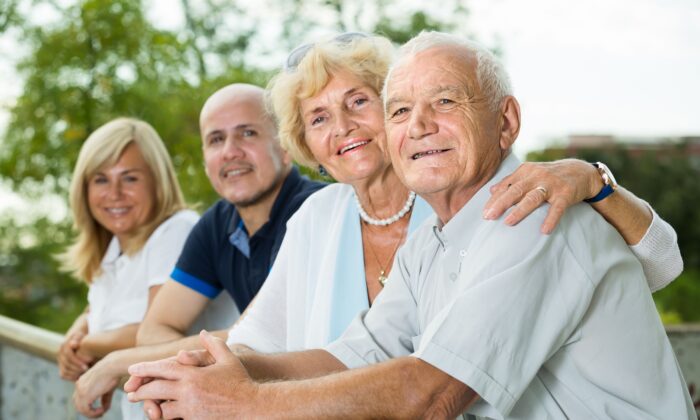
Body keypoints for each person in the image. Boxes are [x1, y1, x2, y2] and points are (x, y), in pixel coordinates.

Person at [125, 33, 692, 418]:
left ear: (506, 122)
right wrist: (207, 373)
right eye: (401, 110)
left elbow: (431, 393)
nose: (419, 126)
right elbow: (352, 354)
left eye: (444, 101)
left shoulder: (531, 213)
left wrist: (241, 402)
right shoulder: (432, 242)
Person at [70, 84, 324, 418]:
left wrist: (117, 362)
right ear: (206, 160)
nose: (230, 151)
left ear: (286, 145)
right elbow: (154, 330)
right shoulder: (218, 223)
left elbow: (263, 337)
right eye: (216, 139)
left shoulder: (314, 212)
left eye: (247, 133)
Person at [56, 117, 237, 419]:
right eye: (100, 179)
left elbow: (149, 331)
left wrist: (83, 346)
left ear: (157, 181)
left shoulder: (177, 231)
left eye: (129, 178)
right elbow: (99, 311)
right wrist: (78, 332)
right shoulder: (113, 249)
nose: (114, 193)